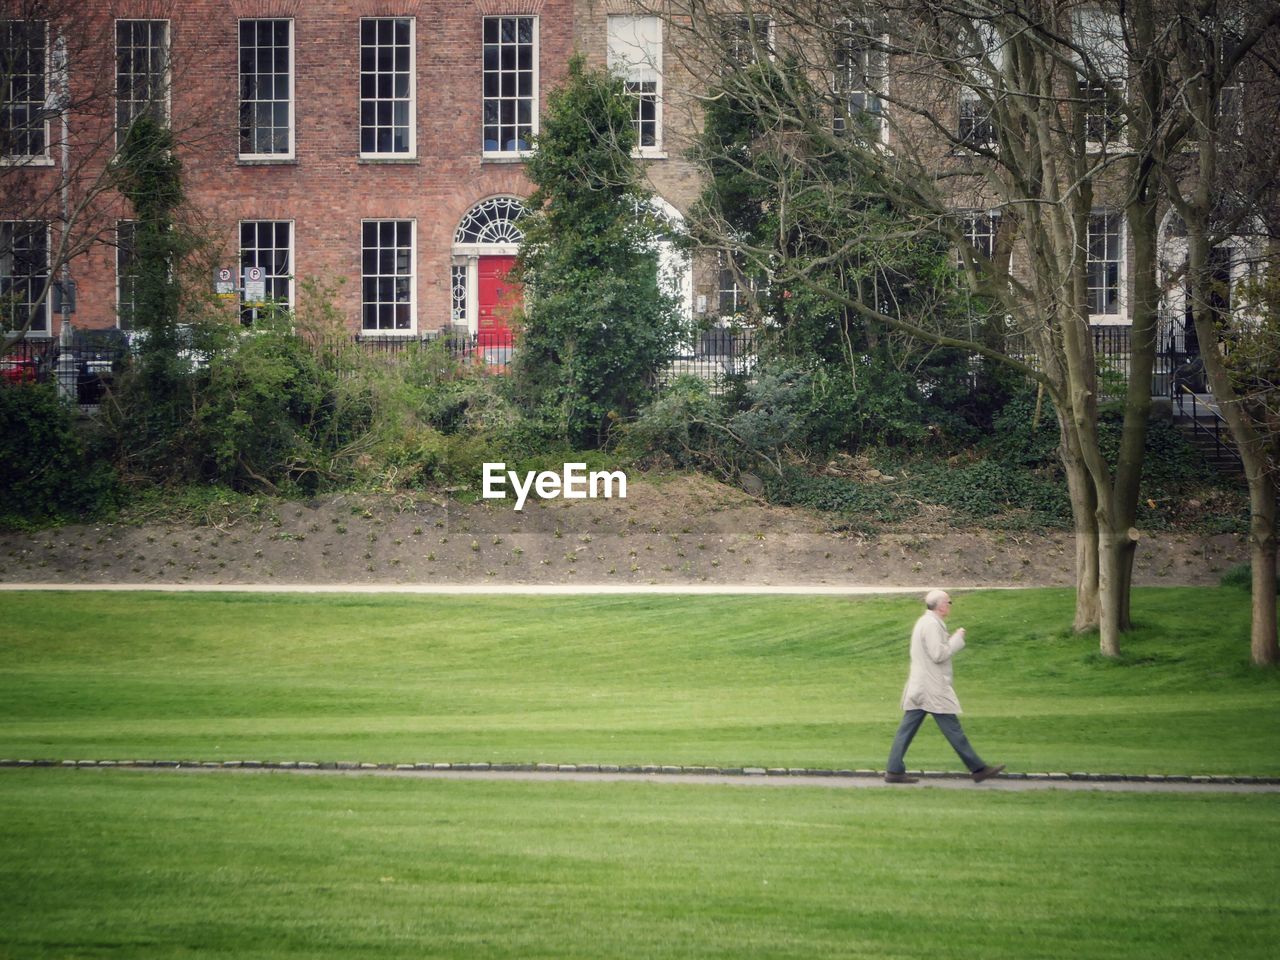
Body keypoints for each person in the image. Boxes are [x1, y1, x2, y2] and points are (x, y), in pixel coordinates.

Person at [884, 590, 1004, 784]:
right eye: (949, 602)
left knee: (907, 730)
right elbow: (938, 654)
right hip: (932, 688)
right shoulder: (931, 624)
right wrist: (957, 639)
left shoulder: (925, 622)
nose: (950, 605)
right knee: (952, 729)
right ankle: (978, 768)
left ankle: (894, 770)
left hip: (922, 686)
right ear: (940, 606)